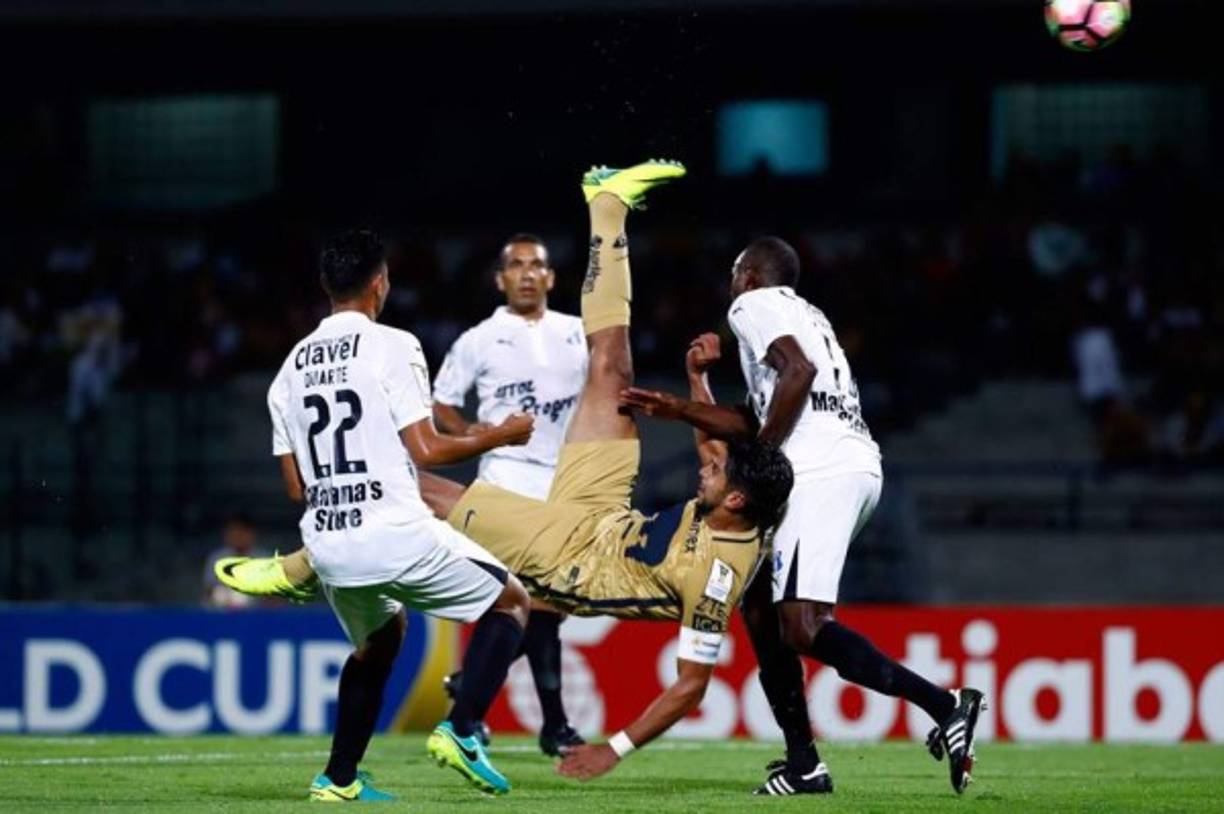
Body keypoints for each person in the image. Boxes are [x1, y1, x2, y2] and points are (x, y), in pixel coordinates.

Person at [218, 160, 795, 782]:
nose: (707, 473)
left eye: (720, 478)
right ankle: (607, 206)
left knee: (416, 487)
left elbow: (691, 685)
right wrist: (695, 378)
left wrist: (614, 749)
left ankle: (305, 566)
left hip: (574, 558)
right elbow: (713, 454)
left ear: (737, 502)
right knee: (611, 366)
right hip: (603, 509)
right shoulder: (738, 501)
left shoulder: (718, 579)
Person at [619, 237, 985, 796]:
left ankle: (944, 705)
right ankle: (803, 764)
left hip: (819, 470)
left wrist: (759, 465)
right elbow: (763, 411)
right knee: (761, 610)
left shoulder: (753, 305)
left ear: (748, 275)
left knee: (803, 626)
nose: (730, 284)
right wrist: (682, 408)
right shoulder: (807, 315)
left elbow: (799, 373)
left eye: (733, 273)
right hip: (845, 464)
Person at [263, 228, 535, 801]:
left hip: (329, 545)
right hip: (393, 534)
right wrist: (502, 434)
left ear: (326, 285)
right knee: (512, 602)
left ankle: (338, 779)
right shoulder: (392, 344)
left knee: (381, 640)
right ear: (380, 283)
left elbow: (295, 487)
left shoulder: (289, 368)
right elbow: (428, 449)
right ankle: (462, 730)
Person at [432, 233, 588, 755]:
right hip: (505, 477)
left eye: (535, 265)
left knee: (551, 606)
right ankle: (550, 725)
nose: (526, 273)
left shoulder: (576, 333)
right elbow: (441, 402)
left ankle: (471, 692)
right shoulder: (479, 339)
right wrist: (471, 433)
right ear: (500, 279)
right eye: (516, 265)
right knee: (530, 600)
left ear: (551, 277)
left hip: (562, 481)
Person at [201, 512, 267, 608]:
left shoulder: (265, 560)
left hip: (257, 612)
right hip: (222, 611)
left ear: (251, 534)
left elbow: (276, 597)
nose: (237, 536)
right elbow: (208, 592)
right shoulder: (217, 558)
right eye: (233, 531)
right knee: (221, 594)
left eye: (242, 532)